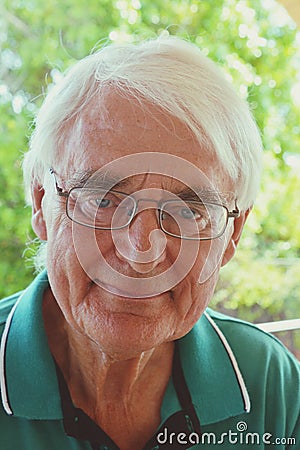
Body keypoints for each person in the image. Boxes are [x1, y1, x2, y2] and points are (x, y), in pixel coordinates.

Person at [0, 35, 299, 450]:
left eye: (188, 212)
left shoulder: (270, 382)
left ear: (232, 233)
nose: (141, 252)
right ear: (40, 203)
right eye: (103, 200)